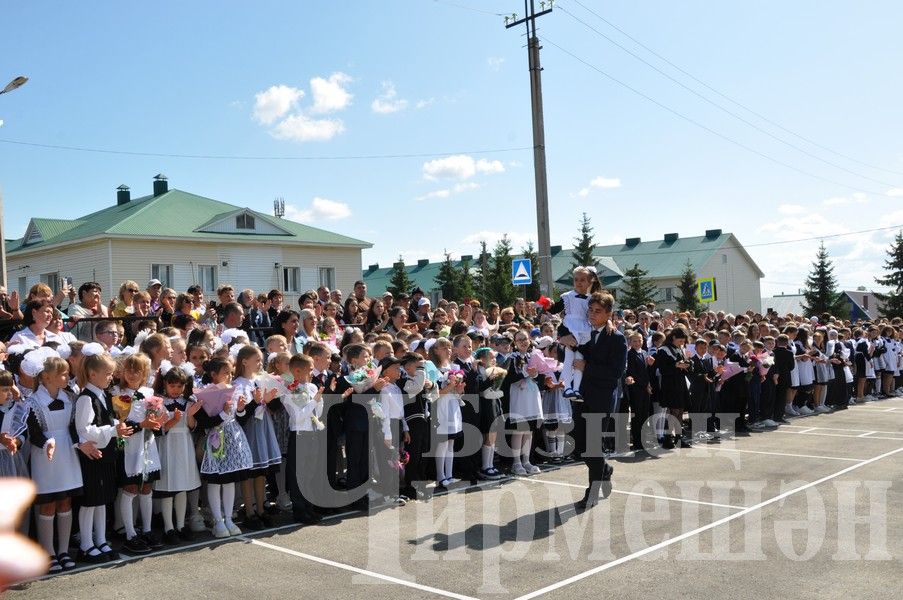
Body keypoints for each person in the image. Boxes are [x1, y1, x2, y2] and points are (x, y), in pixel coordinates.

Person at [568, 292, 625, 510]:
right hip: (581, 396)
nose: (592, 314)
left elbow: (616, 372)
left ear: (608, 314)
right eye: (590, 310)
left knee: (593, 446)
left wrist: (587, 368)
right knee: (580, 444)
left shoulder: (616, 338)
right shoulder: (584, 332)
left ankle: (592, 491)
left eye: (598, 311)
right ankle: (606, 469)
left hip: (601, 398)